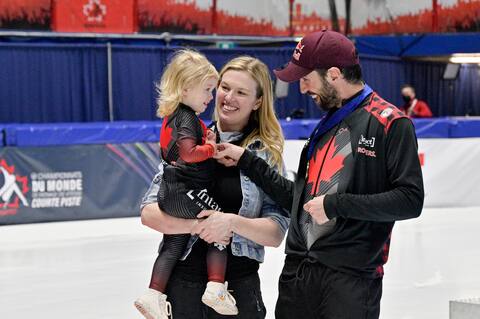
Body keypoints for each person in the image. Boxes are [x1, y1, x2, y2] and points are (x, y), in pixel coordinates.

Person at [215, 30, 424, 319]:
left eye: (306, 78)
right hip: (299, 277)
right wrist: (247, 161)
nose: (302, 88)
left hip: (349, 282)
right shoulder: (324, 127)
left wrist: (335, 205)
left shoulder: (390, 124)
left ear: (334, 74)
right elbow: (302, 200)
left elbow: (410, 200)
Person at [139, 55, 289, 319]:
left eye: (241, 92)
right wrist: (196, 227)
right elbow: (149, 213)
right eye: (224, 87)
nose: (228, 97)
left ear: (258, 102)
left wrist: (230, 222)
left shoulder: (264, 154)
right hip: (182, 286)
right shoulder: (190, 138)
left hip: (237, 290)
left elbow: (275, 234)